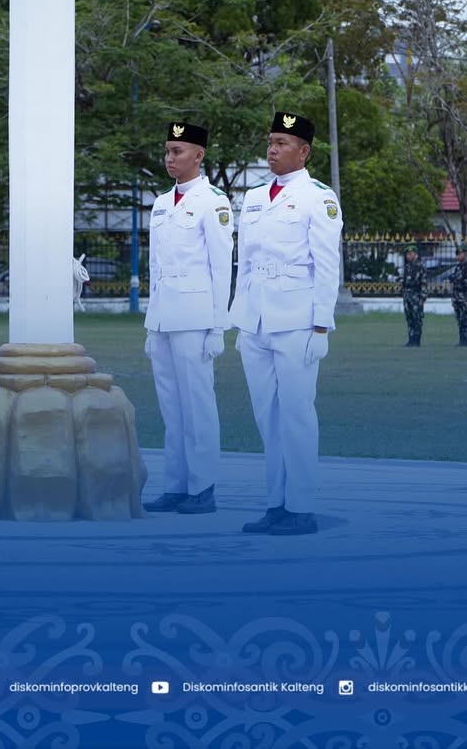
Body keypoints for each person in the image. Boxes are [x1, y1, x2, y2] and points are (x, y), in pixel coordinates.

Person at [230, 112, 342, 537]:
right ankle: (277, 504)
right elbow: (245, 263)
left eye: (282, 143)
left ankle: (302, 507)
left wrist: (321, 326)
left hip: (296, 320)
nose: (272, 150)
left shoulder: (318, 197)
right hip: (256, 321)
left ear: (304, 151)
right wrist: (240, 318)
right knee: (267, 418)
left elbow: (327, 265)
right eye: (270, 142)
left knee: (296, 415)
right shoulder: (255, 197)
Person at [143, 120, 233, 516]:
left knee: (198, 406)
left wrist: (217, 326)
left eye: (177, 151)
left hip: (196, 318)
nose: (169, 158)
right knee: (172, 408)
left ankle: (203, 487)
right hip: (163, 317)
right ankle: (176, 485)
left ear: (198, 155)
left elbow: (221, 268)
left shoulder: (214, 202)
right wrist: (151, 321)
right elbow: (155, 267)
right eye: (167, 151)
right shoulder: (162, 203)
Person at [450, 247, 467, 346]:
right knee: (460, 319)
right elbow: (455, 283)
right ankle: (462, 339)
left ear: (465, 254)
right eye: (457, 254)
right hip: (457, 297)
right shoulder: (458, 267)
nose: (458, 256)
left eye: (460, 254)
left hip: (466, 297)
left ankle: (466, 339)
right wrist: (453, 298)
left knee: (466, 319)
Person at [401, 248, 425, 346]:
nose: (408, 256)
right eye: (407, 254)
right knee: (409, 318)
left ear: (415, 254)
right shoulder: (407, 267)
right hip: (407, 296)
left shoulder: (420, 267)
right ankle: (411, 339)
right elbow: (404, 282)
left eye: (410, 254)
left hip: (416, 296)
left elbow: (424, 283)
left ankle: (416, 340)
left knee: (417, 318)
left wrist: (423, 297)